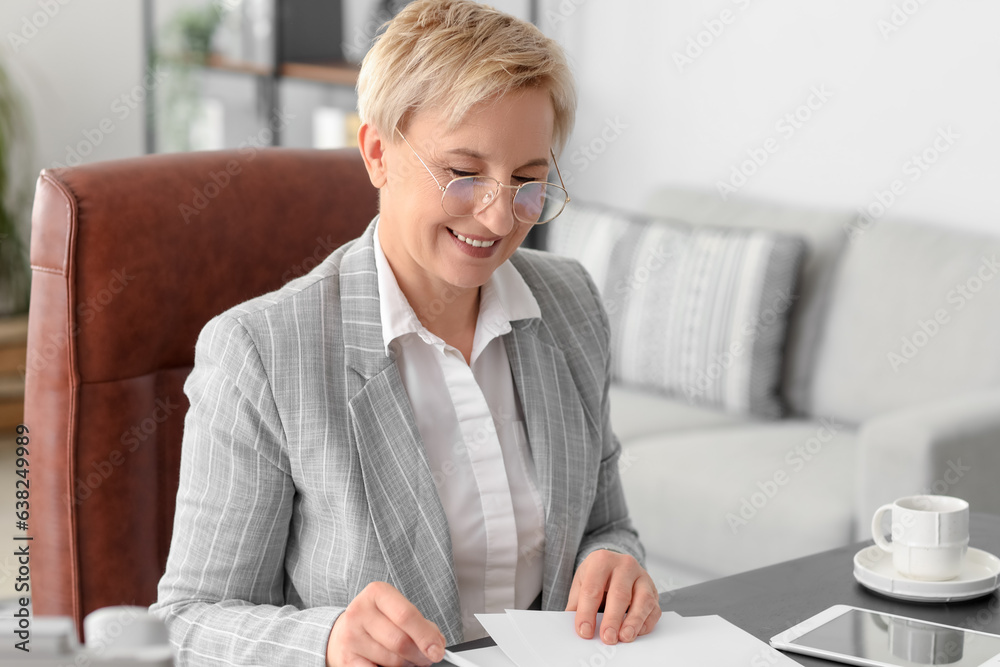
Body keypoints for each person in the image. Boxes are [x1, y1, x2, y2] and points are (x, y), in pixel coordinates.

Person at [149, 1, 661, 665]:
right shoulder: (261, 354)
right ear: (377, 153)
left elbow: (605, 522)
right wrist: (327, 641)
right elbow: (185, 622)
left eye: (528, 181)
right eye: (464, 171)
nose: (500, 214)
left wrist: (615, 560)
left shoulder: (570, 305)